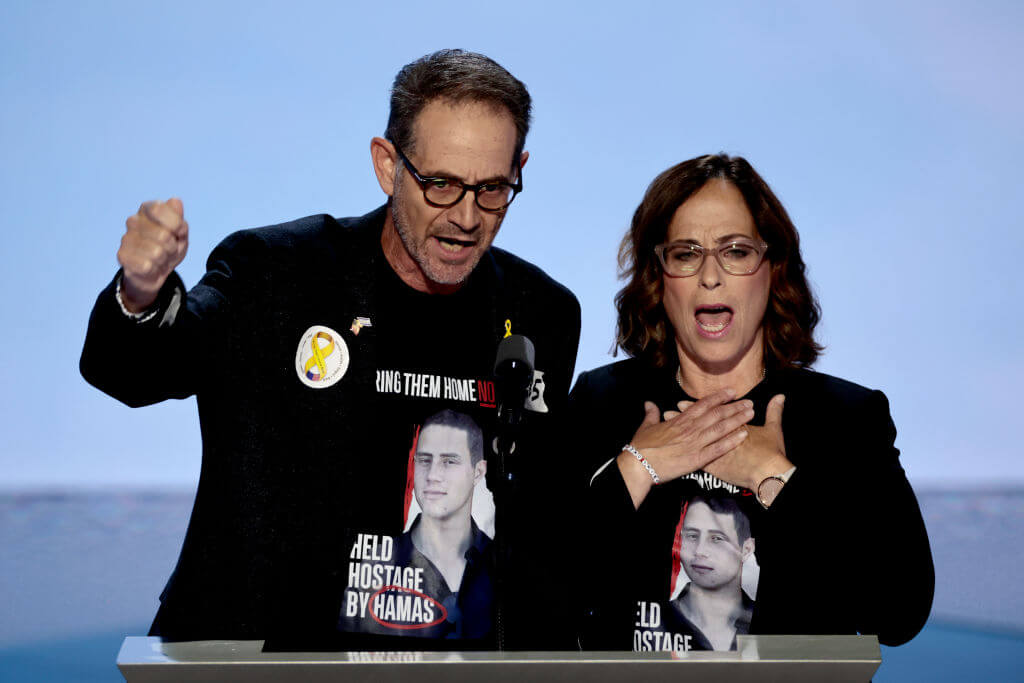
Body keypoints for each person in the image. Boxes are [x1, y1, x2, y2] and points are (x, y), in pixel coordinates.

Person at [79, 50, 581, 649]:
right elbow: (132, 372)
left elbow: (535, 522)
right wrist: (140, 293)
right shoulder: (276, 274)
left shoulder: (539, 312)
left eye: (493, 188)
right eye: (441, 184)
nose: (467, 217)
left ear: (519, 170)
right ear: (386, 164)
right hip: (252, 657)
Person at [569, 153, 933, 651]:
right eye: (686, 253)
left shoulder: (846, 419)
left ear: (773, 268)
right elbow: (538, 590)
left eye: (736, 251)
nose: (711, 276)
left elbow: (899, 611)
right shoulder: (602, 402)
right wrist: (640, 467)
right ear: (659, 275)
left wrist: (775, 477)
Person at [663, 495, 755, 651]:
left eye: (716, 539)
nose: (700, 551)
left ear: (746, 549)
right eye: (692, 536)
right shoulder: (654, 622)